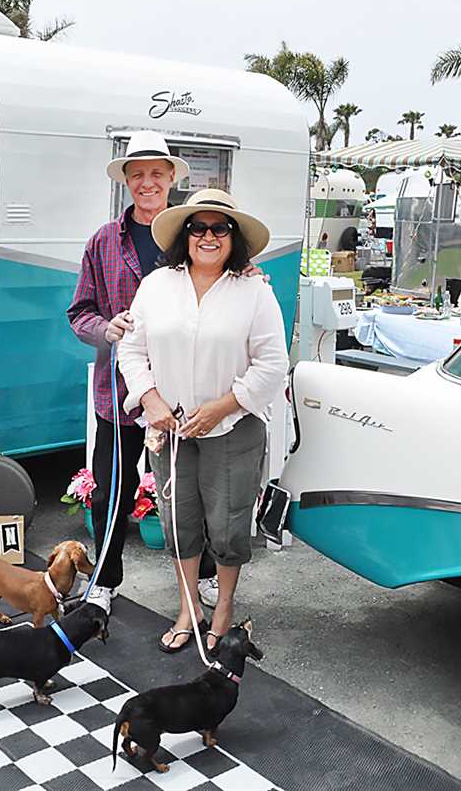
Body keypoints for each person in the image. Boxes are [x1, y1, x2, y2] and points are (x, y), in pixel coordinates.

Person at [118, 188, 289, 654]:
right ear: (185, 235)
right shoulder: (156, 285)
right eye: (199, 227)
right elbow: (132, 350)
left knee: (229, 524)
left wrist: (223, 405)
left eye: (220, 228)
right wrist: (150, 401)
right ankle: (189, 606)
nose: (208, 236)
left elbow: (273, 363)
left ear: (234, 238)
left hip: (232, 429)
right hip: (170, 429)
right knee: (179, 520)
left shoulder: (254, 291)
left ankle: (226, 607)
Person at [67, 130, 219, 613]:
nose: (147, 182)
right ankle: (106, 582)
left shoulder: (194, 236)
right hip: (119, 392)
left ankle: (208, 574)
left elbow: (230, 285)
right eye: (138, 174)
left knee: (194, 488)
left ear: (173, 177)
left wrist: (251, 275)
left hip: (186, 392)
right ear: (127, 181)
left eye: (157, 173)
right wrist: (104, 327)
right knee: (112, 491)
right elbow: (79, 313)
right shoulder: (103, 241)